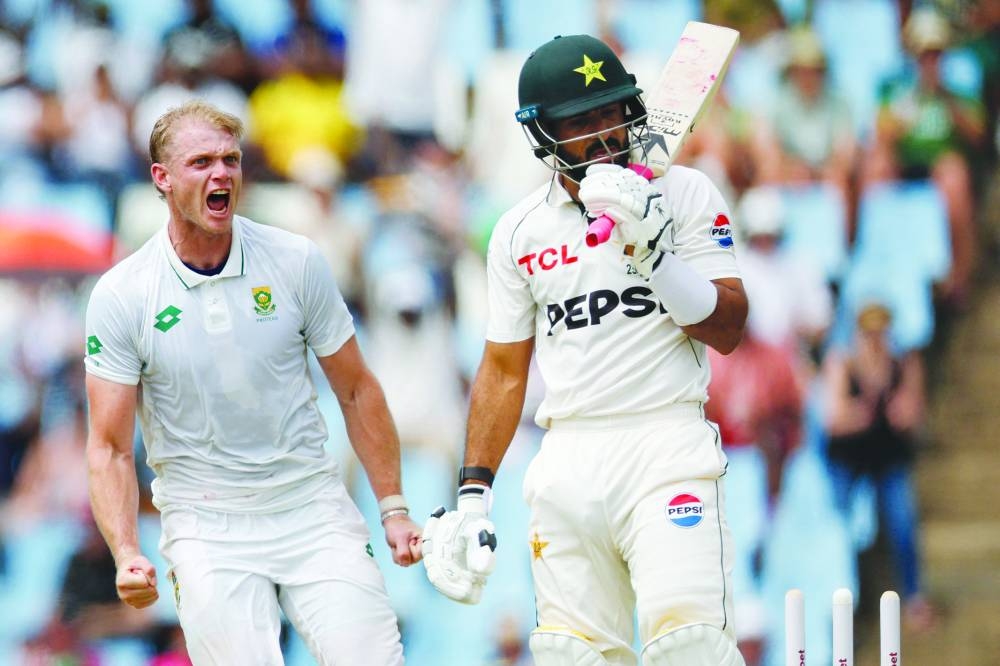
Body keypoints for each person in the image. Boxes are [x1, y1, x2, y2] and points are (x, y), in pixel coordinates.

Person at [421, 34, 749, 666]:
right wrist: (473, 496)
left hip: (666, 445)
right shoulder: (519, 232)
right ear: (542, 136)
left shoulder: (682, 195)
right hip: (568, 458)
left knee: (691, 648)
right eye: (580, 123)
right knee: (574, 657)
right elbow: (502, 369)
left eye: (612, 114)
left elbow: (730, 328)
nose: (603, 137)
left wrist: (655, 254)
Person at [83, 100, 421, 665]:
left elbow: (357, 389)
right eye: (201, 163)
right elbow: (110, 446)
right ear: (161, 180)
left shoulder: (294, 261)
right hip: (206, 524)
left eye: (231, 160)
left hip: (311, 505)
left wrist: (393, 507)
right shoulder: (123, 295)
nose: (222, 175)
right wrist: (125, 552)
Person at [822, 301, 937, 631]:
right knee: (839, 530)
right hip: (850, 458)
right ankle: (844, 599)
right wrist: (866, 410)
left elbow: (913, 414)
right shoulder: (843, 363)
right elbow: (834, 418)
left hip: (887, 456)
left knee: (902, 523)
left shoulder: (904, 363)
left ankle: (914, 597)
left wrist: (893, 407)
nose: (875, 340)